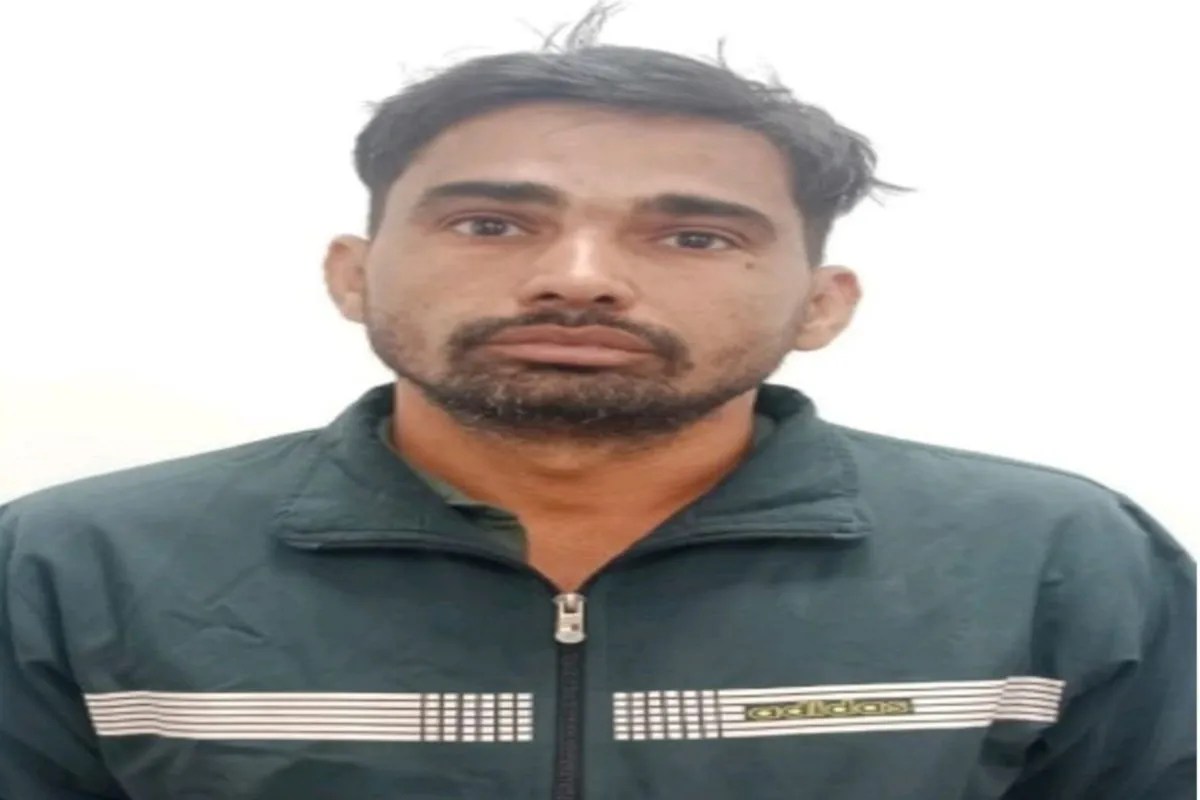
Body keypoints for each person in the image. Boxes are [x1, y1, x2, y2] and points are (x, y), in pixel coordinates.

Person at [1, 4, 1194, 799]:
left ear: (821, 303)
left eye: (693, 234)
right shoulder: (72, 566)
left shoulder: (1053, 557)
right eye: (490, 222)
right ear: (353, 274)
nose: (578, 277)